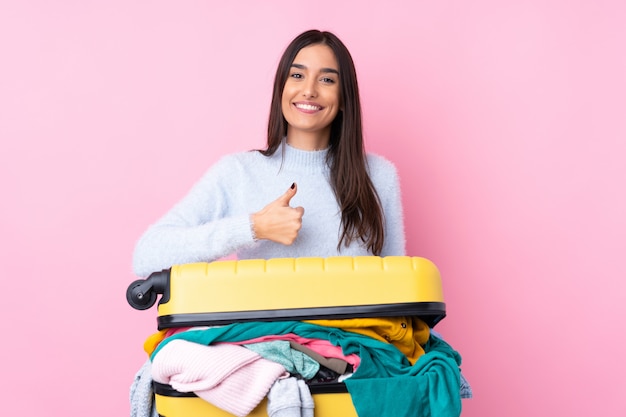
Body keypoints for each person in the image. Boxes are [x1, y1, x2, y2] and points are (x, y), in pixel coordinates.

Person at [132, 29, 406, 278]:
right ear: (281, 89)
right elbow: (147, 255)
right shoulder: (238, 172)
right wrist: (254, 227)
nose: (309, 91)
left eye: (326, 80)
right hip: (266, 333)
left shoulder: (379, 176)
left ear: (345, 98)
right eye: (297, 76)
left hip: (352, 332)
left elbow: (399, 285)